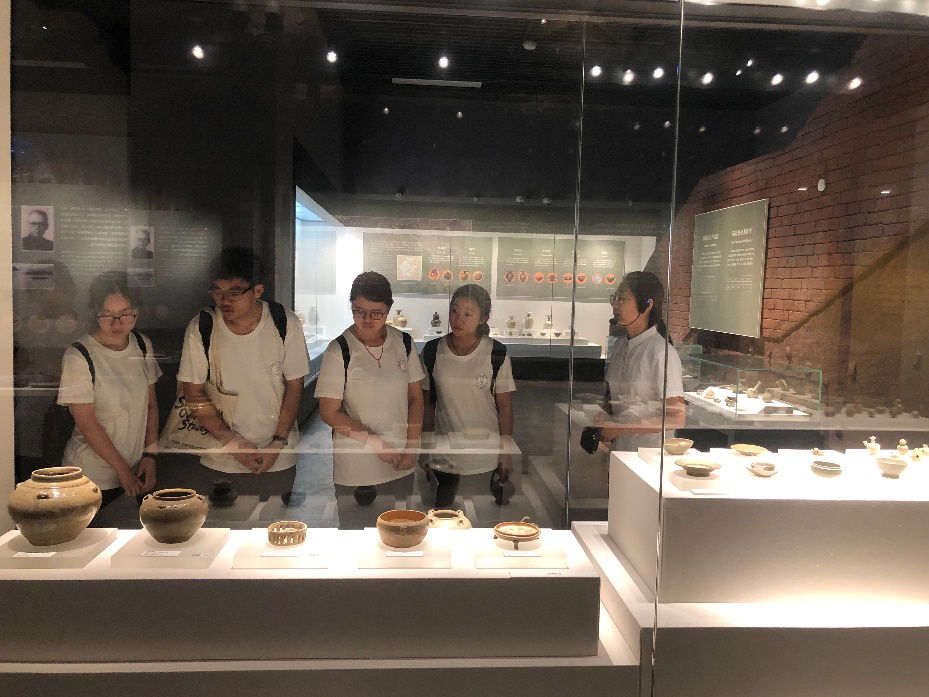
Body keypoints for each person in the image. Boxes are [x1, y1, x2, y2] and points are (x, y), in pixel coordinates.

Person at [174, 248, 309, 494]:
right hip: (220, 456)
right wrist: (233, 444)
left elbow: (295, 385)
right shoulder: (203, 327)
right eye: (217, 291)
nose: (224, 300)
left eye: (235, 292)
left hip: (277, 454)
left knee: (275, 517)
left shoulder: (283, 322)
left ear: (258, 290)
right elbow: (193, 393)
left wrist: (277, 443)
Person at [315, 272, 424, 526]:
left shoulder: (403, 342)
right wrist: (376, 443)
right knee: (357, 536)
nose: (367, 320)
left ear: (389, 309)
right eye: (359, 311)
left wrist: (412, 447)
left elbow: (416, 398)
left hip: (399, 460)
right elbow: (329, 412)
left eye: (376, 313)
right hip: (356, 467)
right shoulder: (340, 350)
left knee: (400, 532)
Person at [57, 272, 161, 511]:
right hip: (90, 476)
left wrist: (150, 456)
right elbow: (86, 422)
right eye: (107, 315)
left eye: (126, 314)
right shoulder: (79, 355)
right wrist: (122, 471)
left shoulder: (142, 345)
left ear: (137, 311)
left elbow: (151, 405)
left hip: (135, 471)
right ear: (95, 311)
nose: (117, 324)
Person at [421, 284, 515, 507]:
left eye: (468, 314)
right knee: (443, 514)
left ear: (483, 318)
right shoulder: (433, 351)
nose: (458, 319)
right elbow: (427, 405)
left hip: (485, 455)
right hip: (445, 454)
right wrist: (424, 447)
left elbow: (505, 407)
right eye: (454, 311)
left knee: (486, 516)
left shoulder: (496, 353)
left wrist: (505, 452)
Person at [596, 271, 685, 451]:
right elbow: (616, 399)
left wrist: (622, 428)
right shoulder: (620, 346)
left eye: (622, 299)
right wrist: (604, 413)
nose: (615, 305)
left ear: (647, 305)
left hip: (650, 455)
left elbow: (676, 417)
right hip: (622, 451)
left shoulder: (661, 353)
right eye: (615, 298)